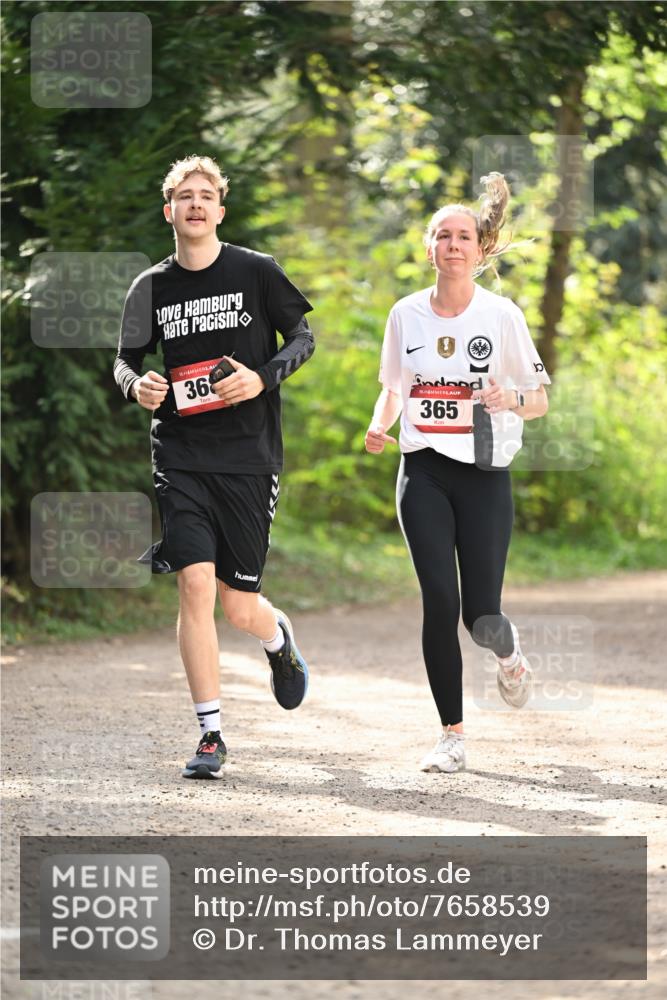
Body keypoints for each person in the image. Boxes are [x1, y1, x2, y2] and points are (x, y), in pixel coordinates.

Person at [114, 155, 314, 779]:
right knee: (195, 583)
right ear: (169, 210)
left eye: (206, 195)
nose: (195, 203)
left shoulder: (256, 271)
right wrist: (136, 386)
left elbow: (303, 338)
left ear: (220, 210)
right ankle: (210, 735)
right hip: (181, 454)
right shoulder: (150, 286)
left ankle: (276, 637)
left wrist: (262, 378)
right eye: (184, 195)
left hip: (249, 456)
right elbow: (124, 361)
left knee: (238, 606)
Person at [365, 172, 550, 774]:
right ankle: (452, 737)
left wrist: (509, 399)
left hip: (485, 472)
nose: (452, 245)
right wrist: (380, 425)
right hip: (422, 468)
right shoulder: (405, 314)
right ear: (429, 249)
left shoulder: (502, 316)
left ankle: (510, 657)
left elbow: (539, 400)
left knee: (481, 618)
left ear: (480, 249)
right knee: (440, 601)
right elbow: (395, 388)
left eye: (463, 236)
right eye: (442, 236)